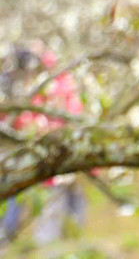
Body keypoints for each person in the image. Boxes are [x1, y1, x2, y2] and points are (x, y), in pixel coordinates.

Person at [0, 42, 87, 246]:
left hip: (53, 149)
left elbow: (70, 112)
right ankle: (33, 241)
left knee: (63, 198)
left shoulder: (55, 83)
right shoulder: (13, 84)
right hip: (26, 150)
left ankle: (54, 242)